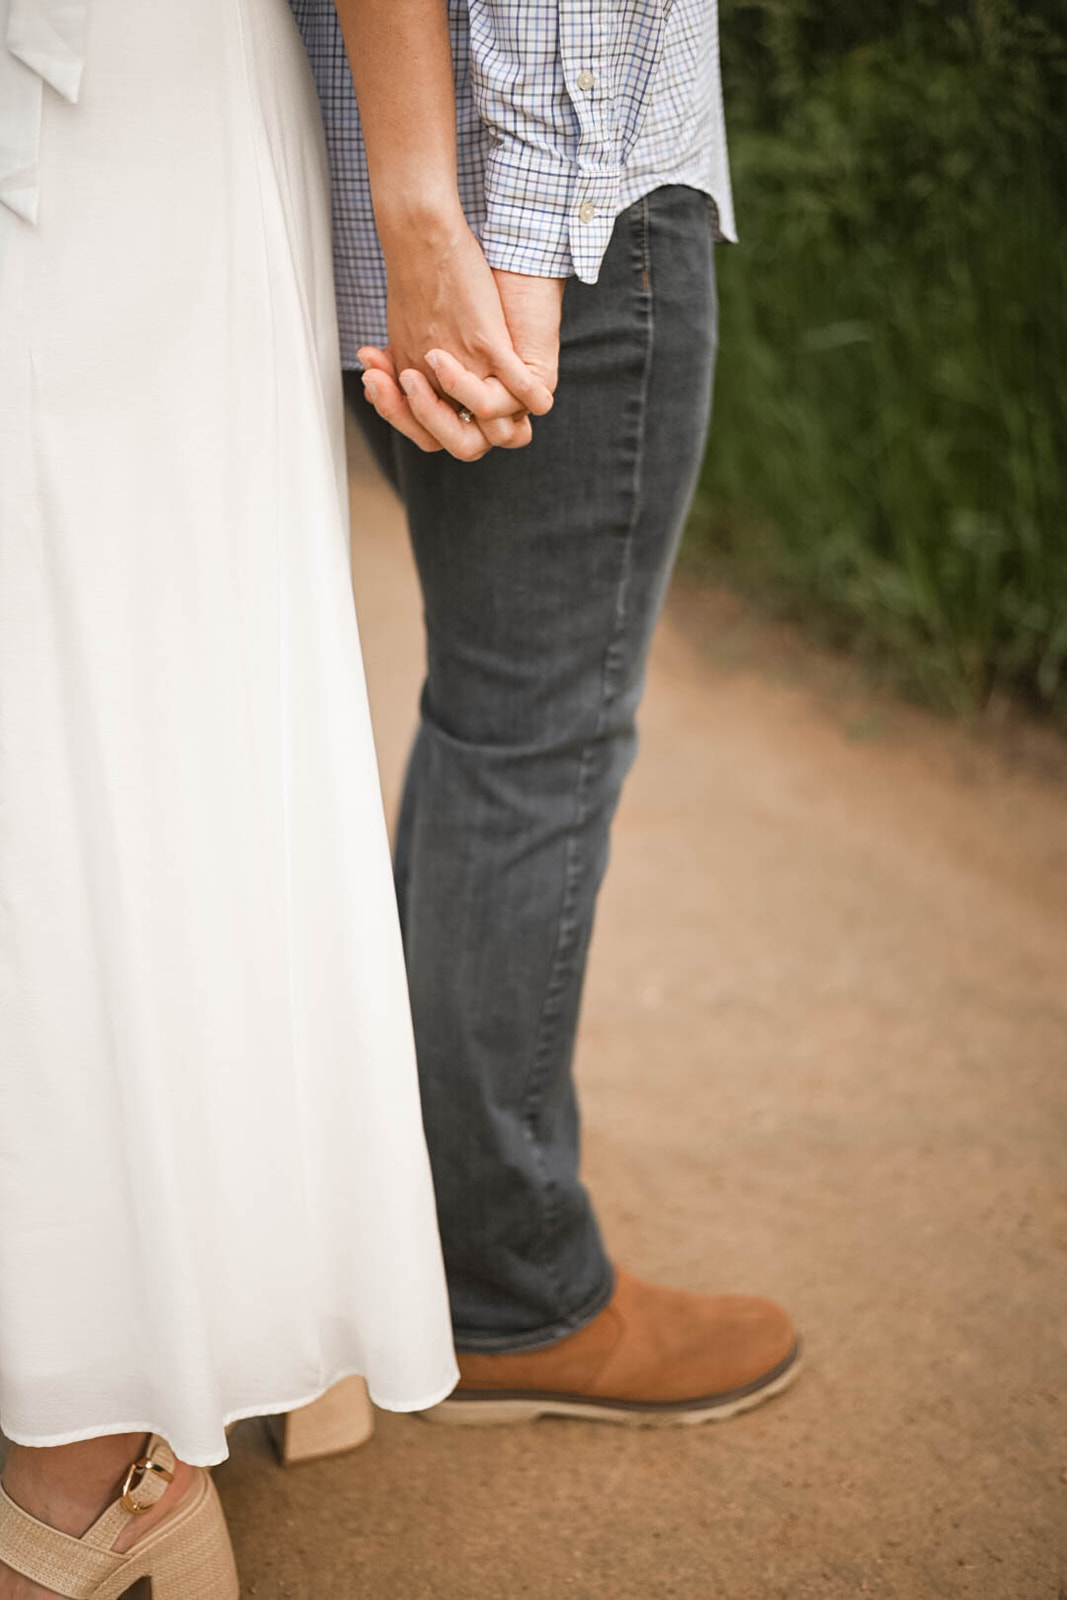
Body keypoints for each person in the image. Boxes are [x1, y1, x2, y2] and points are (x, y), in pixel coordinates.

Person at [0, 1, 545, 1595]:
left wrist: (420, 201)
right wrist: (421, 200)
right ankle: (94, 1407)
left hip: (120, 102)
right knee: (109, 680)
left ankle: (146, 1389)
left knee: (106, 675)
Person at [292, 0, 802, 1425]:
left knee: (490, 729)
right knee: (528, 738)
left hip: (403, 204)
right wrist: (519, 217)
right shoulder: (532, 218)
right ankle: (505, 1292)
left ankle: (390, 1238)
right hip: (564, 219)